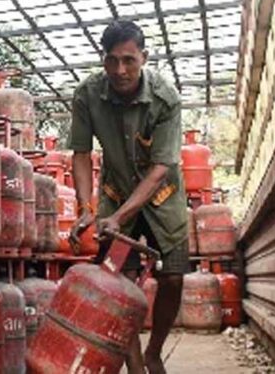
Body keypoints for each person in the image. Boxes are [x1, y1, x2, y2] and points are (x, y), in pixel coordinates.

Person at [68, 20, 188, 374]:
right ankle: (135, 364)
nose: (120, 70)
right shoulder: (87, 94)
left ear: (143, 58)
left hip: (163, 196)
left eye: (129, 60)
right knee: (119, 280)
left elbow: (162, 167)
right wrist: (86, 208)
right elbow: (81, 154)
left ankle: (154, 352)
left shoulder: (165, 98)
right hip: (115, 192)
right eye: (112, 60)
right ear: (103, 58)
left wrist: (119, 218)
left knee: (173, 278)